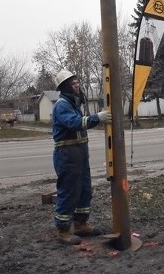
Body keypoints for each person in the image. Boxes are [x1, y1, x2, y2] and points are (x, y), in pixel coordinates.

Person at [52, 69, 112, 245]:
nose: (77, 85)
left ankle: (81, 224)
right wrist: (97, 118)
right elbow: (75, 123)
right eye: (73, 83)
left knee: (84, 189)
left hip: (79, 154)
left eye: (78, 82)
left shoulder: (73, 104)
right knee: (69, 191)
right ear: (65, 87)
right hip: (67, 155)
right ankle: (63, 231)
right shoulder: (62, 105)